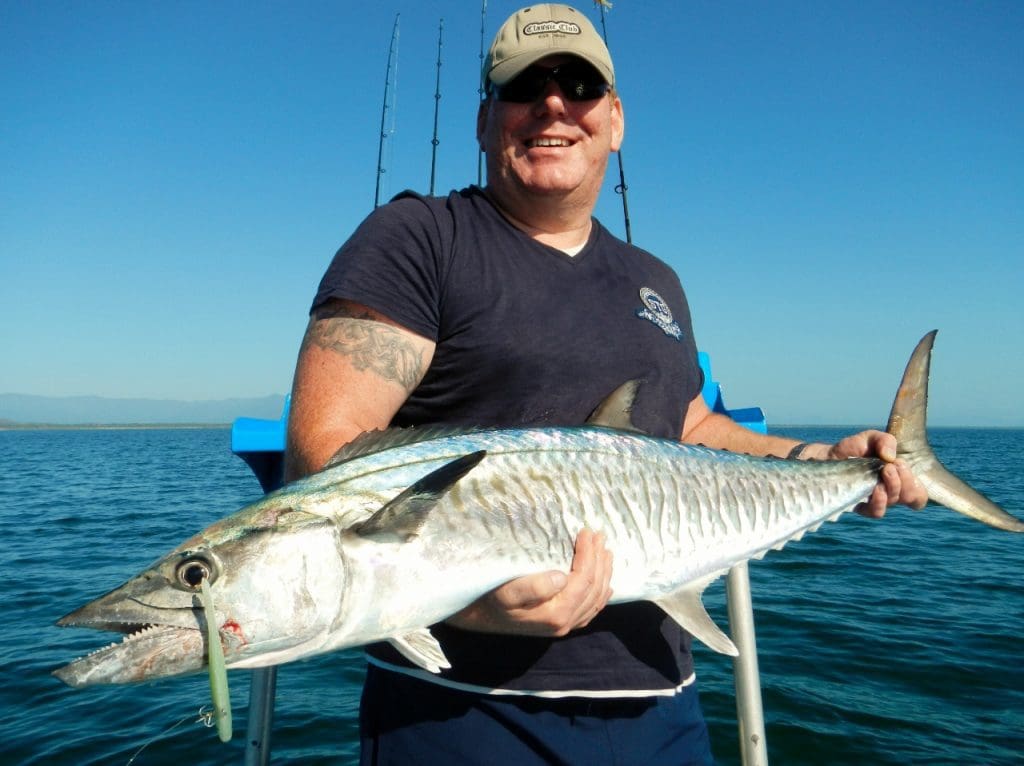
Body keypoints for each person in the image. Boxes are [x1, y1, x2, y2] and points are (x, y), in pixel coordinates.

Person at [284, 4, 927, 764]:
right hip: (464, 712)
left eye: (581, 86)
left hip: (663, 703)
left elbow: (689, 427)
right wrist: (467, 599)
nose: (554, 104)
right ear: (485, 121)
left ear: (615, 120)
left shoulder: (656, 282)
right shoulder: (419, 240)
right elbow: (324, 456)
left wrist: (820, 461)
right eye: (524, 87)